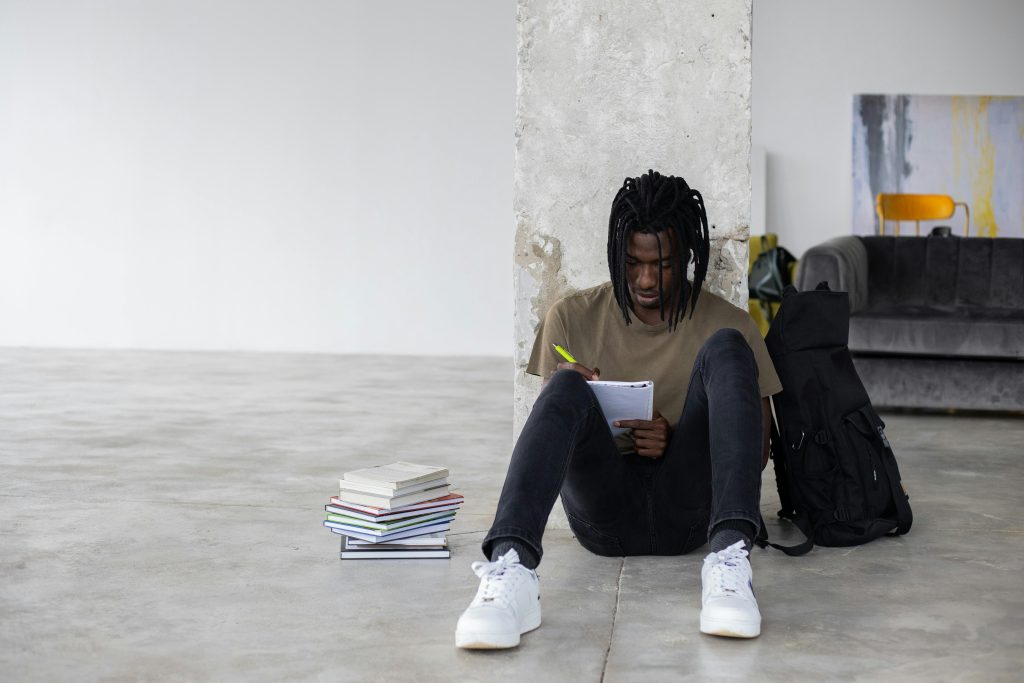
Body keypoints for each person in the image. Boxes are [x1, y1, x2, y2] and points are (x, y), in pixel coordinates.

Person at [455, 170, 782, 649]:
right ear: (616, 255)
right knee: (565, 386)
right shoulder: (571, 317)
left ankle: (731, 560)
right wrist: (583, 402)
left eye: (663, 264)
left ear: (688, 256)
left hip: (688, 512)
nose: (646, 279)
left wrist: (678, 439)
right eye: (632, 263)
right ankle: (511, 573)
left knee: (728, 347)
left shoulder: (725, 321)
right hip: (603, 515)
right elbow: (551, 442)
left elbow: (757, 453)